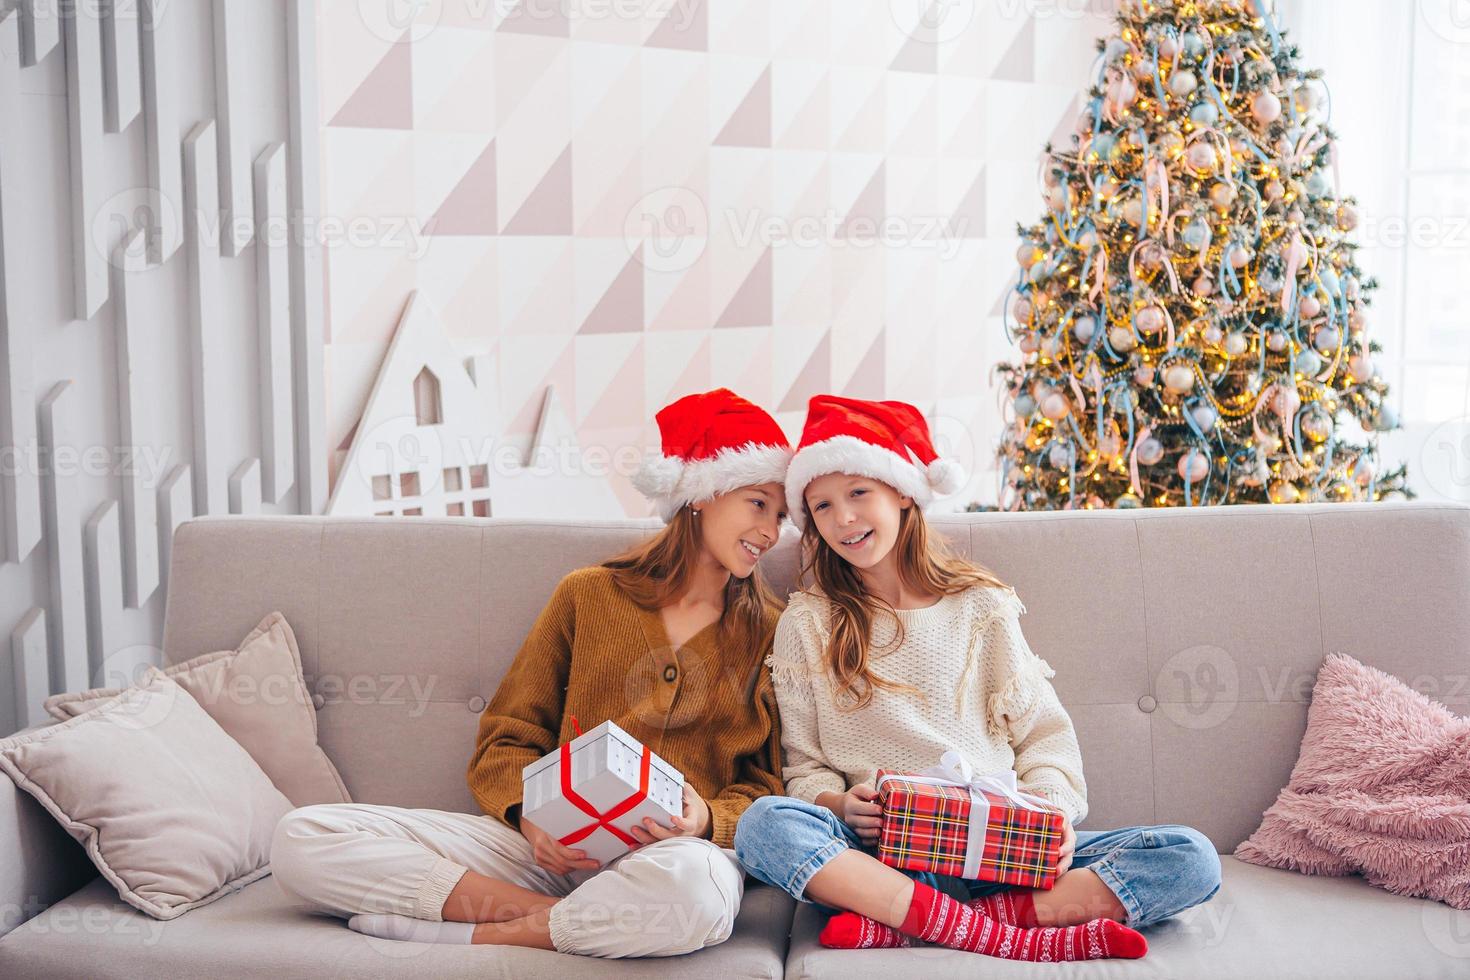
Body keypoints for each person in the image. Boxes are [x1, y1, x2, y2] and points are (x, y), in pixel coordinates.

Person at [271, 388, 793, 957]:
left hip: (672, 860)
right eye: (757, 503)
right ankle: (560, 921)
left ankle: (475, 935)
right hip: (551, 854)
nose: (771, 531)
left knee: (699, 895)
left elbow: (770, 784)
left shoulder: (773, 629)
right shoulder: (590, 595)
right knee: (301, 839)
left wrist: (706, 819)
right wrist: (531, 819)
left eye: (781, 514)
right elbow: (507, 736)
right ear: (701, 493)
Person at [734, 394, 1222, 962]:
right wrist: (840, 805)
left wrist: (1050, 816)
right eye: (821, 506)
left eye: (859, 493)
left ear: (903, 492)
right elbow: (804, 765)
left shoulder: (979, 605)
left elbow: (1044, 735)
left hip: (1000, 851)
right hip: (878, 856)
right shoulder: (809, 621)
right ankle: (1006, 935)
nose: (842, 518)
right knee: (764, 825)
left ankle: (920, 923)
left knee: (1189, 857)